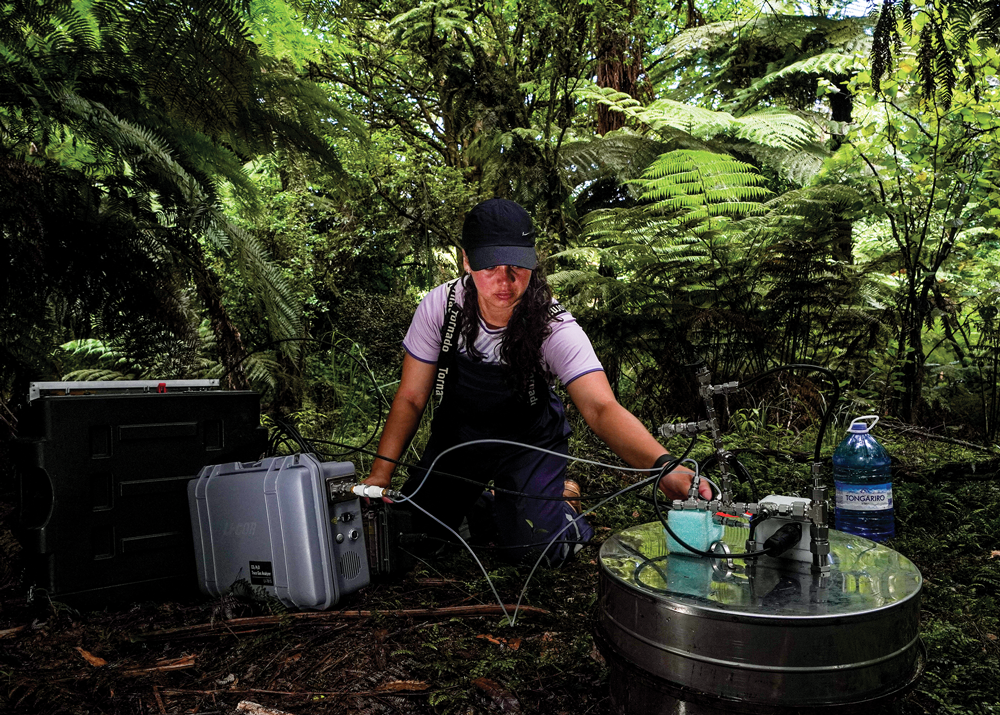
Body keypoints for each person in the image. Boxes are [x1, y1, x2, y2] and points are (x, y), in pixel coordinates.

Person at [363, 198, 709, 565]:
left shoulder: (553, 325)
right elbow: (412, 397)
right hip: (460, 440)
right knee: (412, 539)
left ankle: (563, 505)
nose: (504, 281)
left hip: (529, 444)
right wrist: (380, 475)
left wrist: (664, 467)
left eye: (516, 266)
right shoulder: (440, 308)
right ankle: (487, 501)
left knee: (534, 550)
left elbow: (601, 407)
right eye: (489, 265)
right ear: (466, 261)